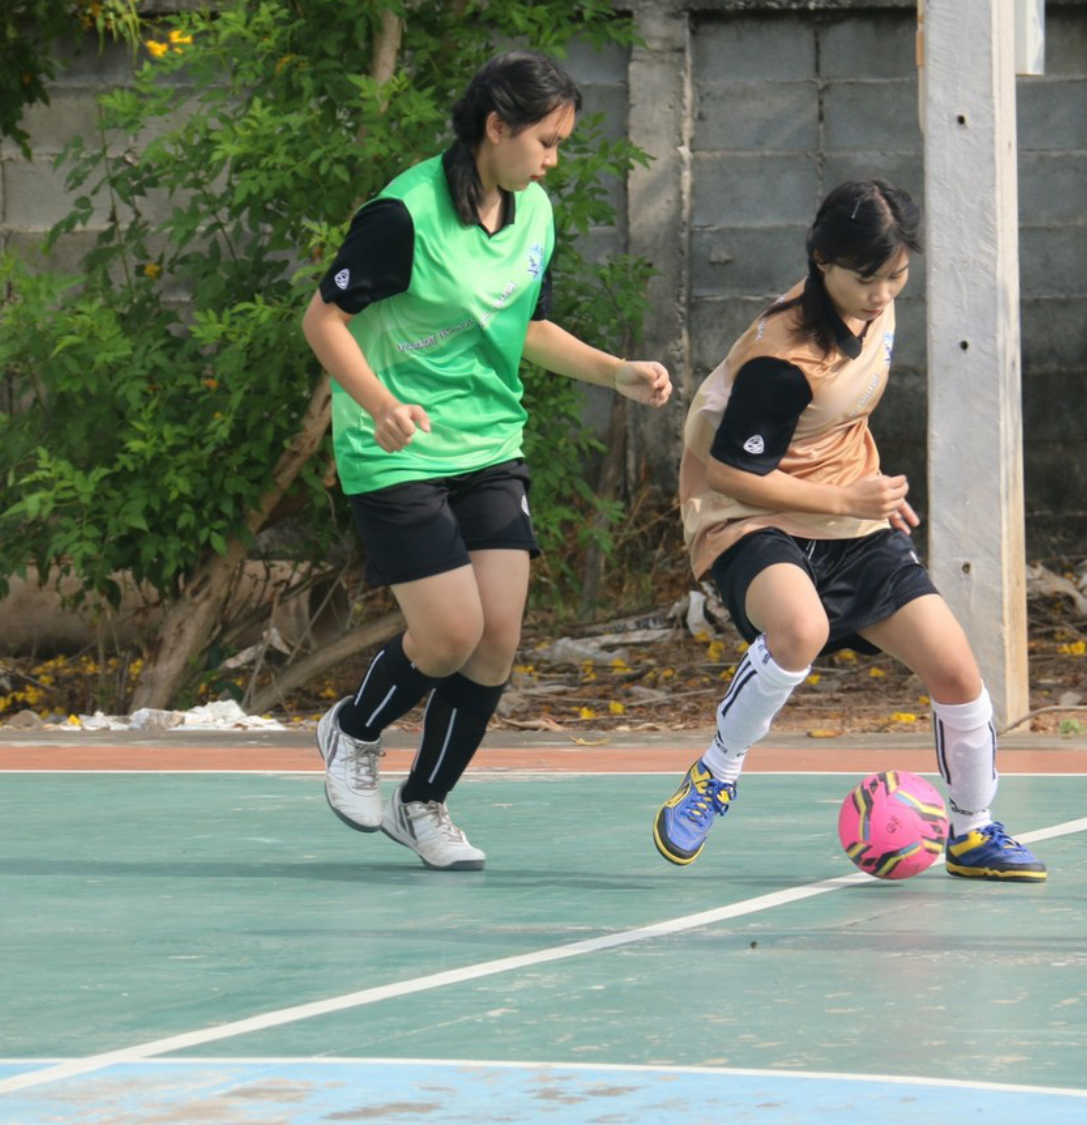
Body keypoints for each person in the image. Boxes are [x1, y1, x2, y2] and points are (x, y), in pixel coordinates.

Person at [302, 51, 671, 871]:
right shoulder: (405, 215)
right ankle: (354, 729)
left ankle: (424, 804)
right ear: (495, 129)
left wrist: (617, 371)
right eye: (545, 140)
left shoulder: (533, 212)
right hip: (395, 451)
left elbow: (528, 329)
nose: (552, 159)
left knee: (496, 638)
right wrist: (379, 403)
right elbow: (322, 321)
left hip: (488, 445)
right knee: (450, 630)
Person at [653, 179, 1045, 882]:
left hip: (850, 516)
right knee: (798, 628)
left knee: (956, 670)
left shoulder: (877, 310)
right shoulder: (784, 358)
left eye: (897, 275)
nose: (883, 293)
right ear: (820, 260)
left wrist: (856, 497)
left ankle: (972, 830)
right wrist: (842, 493)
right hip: (748, 512)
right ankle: (716, 773)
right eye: (867, 278)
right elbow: (728, 473)